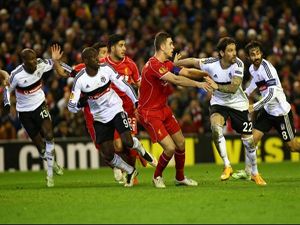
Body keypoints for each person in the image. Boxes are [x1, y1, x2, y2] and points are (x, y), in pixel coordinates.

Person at [175, 37, 266, 185]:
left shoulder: (238, 64)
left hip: (238, 105)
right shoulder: (211, 63)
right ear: (222, 53)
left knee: (249, 142)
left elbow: (233, 88)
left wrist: (216, 86)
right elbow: (193, 61)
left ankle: (255, 173)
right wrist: (176, 63)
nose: (234, 53)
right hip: (219, 103)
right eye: (230, 51)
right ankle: (227, 166)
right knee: (216, 129)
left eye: (235, 50)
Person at [69, 41, 156, 185]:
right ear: (85, 61)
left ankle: (140, 149)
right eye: (94, 59)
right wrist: (79, 104)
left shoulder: (106, 69)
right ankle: (129, 170)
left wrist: (135, 101)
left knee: (127, 141)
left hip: (115, 108)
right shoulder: (80, 80)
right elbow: (71, 106)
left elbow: (124, 85)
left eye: (98, 58)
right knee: (108, 154)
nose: (98, 60)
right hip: (99, 117)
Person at [138, 31, 212, 188]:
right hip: (149, 113)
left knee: (181, 142)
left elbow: (187, 72)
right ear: (162, 46)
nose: (173, 47)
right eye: (171, 44)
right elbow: (177, 79)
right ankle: (157, 177)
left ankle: (180, 178)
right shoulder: (153, 65)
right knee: (170, 148)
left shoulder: (167, 64)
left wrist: (207, 74)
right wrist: (198, 85)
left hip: (163, 109)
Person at [232, 40, 300, 180]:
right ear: (248, 57)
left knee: (293, 147)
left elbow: (271, 94)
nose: (256, 56)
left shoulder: (268, 69)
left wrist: (254, 106)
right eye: (252, 54)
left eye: (258, 53)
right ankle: (247, 172)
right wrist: (245, 93)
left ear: (261, 53)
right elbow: (255, 83)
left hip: (281, 113)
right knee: (251, 140)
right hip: (268, 112)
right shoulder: (252, 69)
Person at [2, 44, 68, 187]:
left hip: (40, 105)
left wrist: (69, 69)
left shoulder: (40, 63)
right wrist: (7, 103)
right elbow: (7, 88)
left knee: (49, 135)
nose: (34, 62)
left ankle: (50, 175)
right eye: (30, 61)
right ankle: (53, 163)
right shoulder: (16, 74)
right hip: (25, 112)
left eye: (34, 59)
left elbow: (56, 63)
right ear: (23, 62)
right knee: (41, 147)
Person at [101, 34, 155, 184]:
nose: (124, 48)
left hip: (129, 110)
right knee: (118, 145)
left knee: (127, 143)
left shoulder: (130, 64)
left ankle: (133, 175)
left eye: (125, 45)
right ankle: (138, 155)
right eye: (121, 45)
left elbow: (139, 85)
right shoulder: (102, 65)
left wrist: (141, 104)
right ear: (112, 47)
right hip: (111, 111)